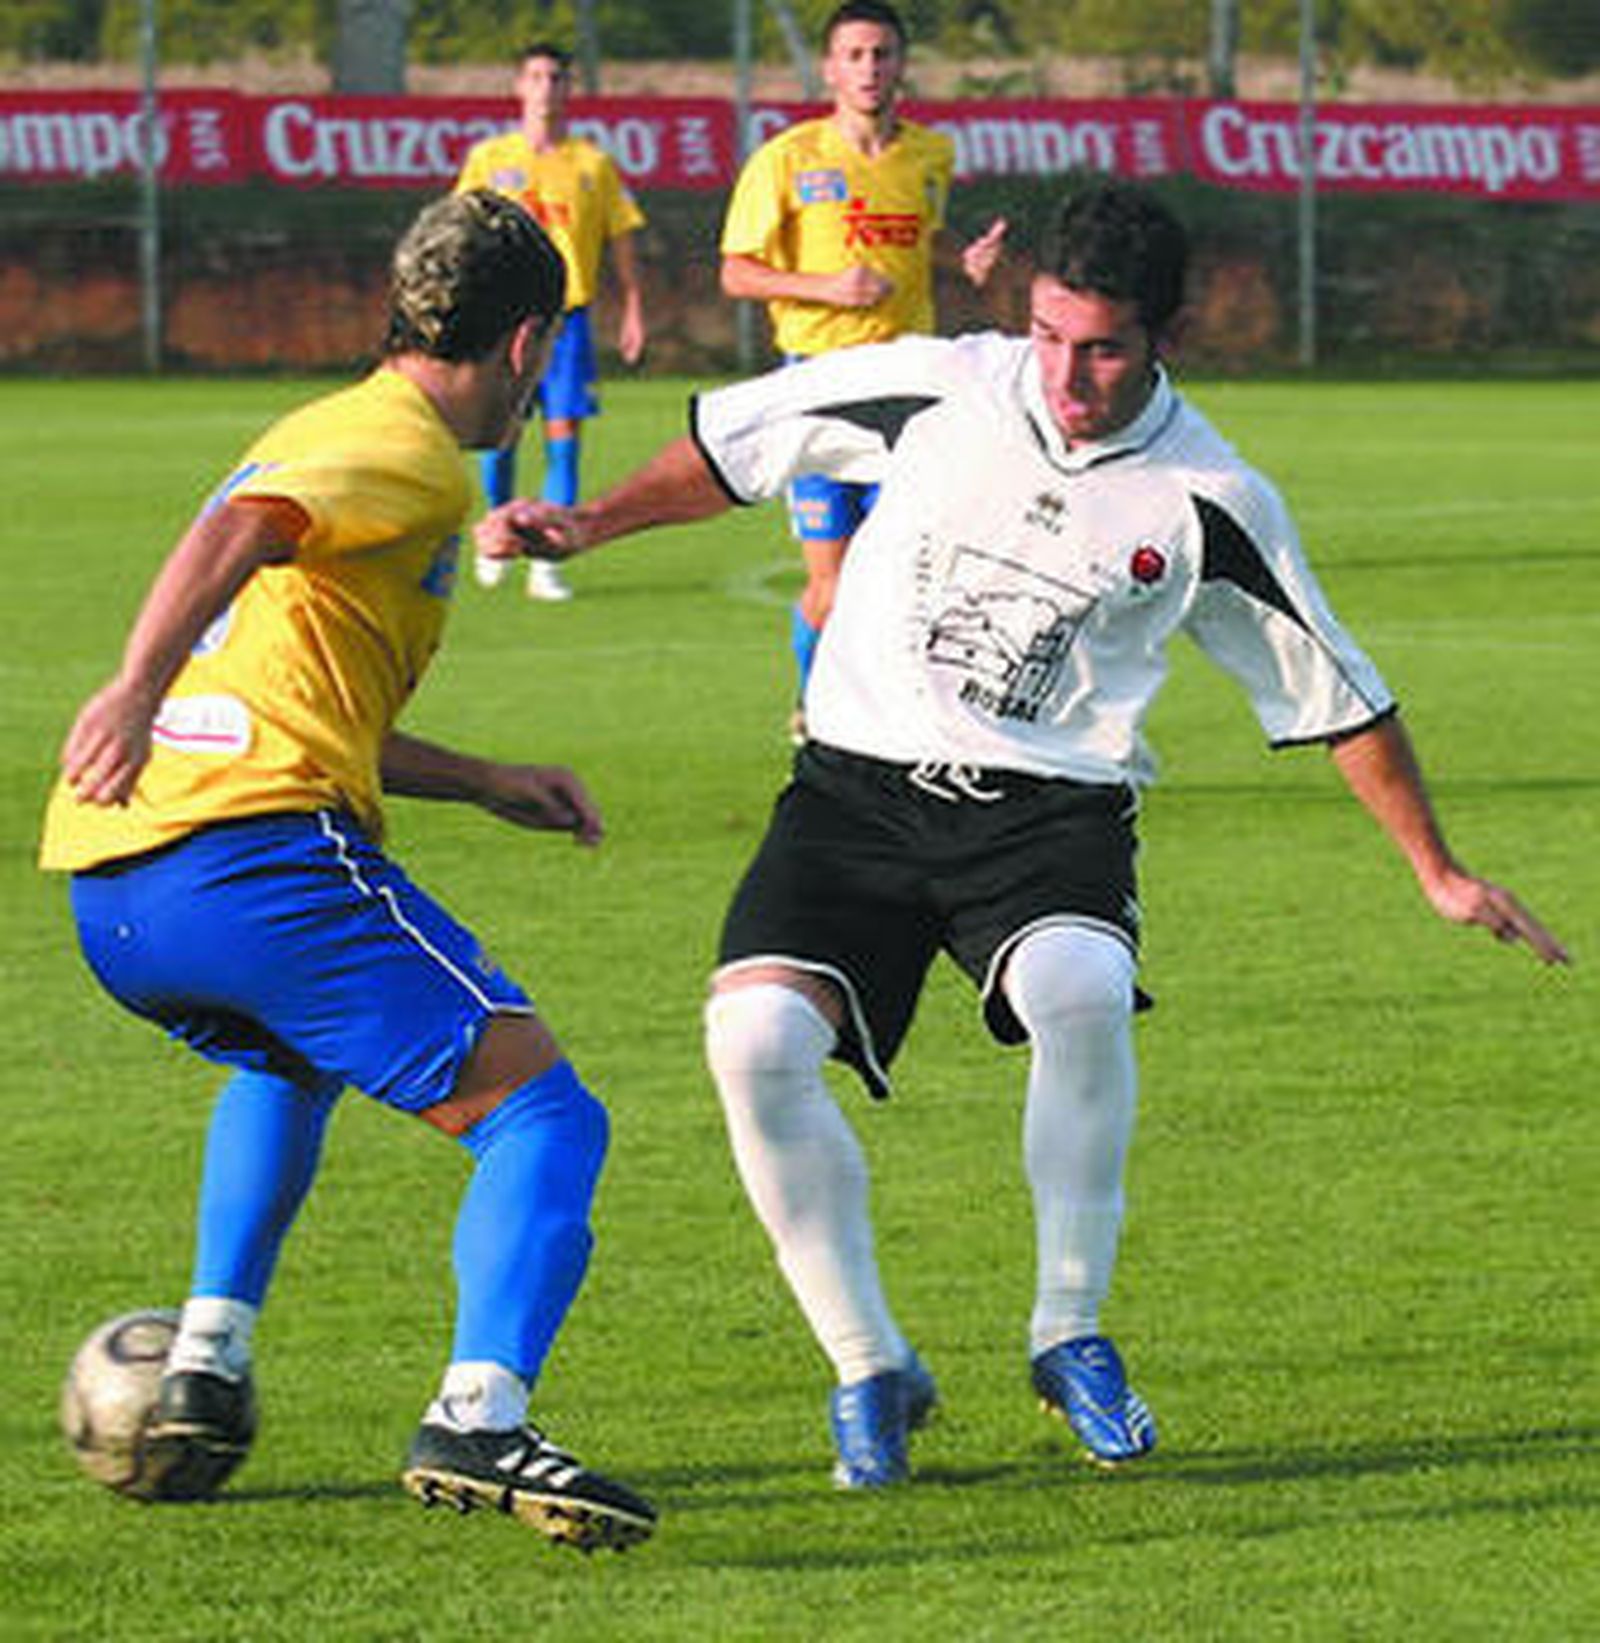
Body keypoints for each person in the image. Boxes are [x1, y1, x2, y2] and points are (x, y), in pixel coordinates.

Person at [476, 176, 1571, 1490]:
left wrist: (1438, 871)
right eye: (1050, 335)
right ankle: (869, 1362)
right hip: (854, 790)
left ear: (1166, 333)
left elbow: (1336, 691)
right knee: (750, 1036)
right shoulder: (941, 382)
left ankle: (1070, 1329)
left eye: (1102, 346)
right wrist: (586, 523)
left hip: (1050, 814)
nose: (1068, 373)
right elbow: (737, 448)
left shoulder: (1210, 494)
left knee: (1081, 984)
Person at [39, 190, 655, 1549]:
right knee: (545, 1118)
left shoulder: (329, 427)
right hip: (249, 865)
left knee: (285, 1056)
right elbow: (233, 533)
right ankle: (481, 1415)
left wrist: (491, 780)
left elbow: (312, 692)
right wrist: (131, 684)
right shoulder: (408, 449)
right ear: (525, 341)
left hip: (118, 888)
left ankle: (204, 1357)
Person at [720, 0, 1006, 720]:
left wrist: (961, 259)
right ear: (829, 69)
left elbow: (922, 241)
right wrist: (825, 287)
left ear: (902, 64)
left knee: (913, 572)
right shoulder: (787, 158)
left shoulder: (929, 155)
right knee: (834, 583)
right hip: (816, 387)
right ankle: (813, 705)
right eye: (855, 55)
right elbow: (737, 272)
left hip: (912, 387)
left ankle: (894, 717)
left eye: (882, 54)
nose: (870, 68)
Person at [455, 40, 648, 601]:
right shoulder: (490, 160)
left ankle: (546, 558)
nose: (545, 87)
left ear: (570, 89)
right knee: (499, 436)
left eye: (556, 77)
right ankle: (499, 530)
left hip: (566, 323)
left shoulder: (593, 164)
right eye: (535, 76)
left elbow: (622, 238)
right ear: (520, 87)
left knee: (564, 440)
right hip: (502, 317)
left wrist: (634, 305)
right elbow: (462, 231)